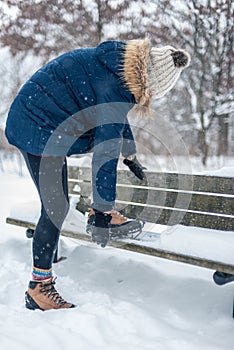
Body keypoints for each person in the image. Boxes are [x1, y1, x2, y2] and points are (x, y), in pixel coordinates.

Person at [5, 39, 190, 311]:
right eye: (150, 93)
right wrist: (103, 212)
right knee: (56, 207)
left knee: (58, 203)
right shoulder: (116, 86)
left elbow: (113, 116)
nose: (146, 98)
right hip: (37, 127)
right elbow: (105, 148)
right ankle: (39, 288)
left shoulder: (115, 66)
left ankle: (95, 217)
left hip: (36, 119)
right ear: (148, 81)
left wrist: (129, 153)